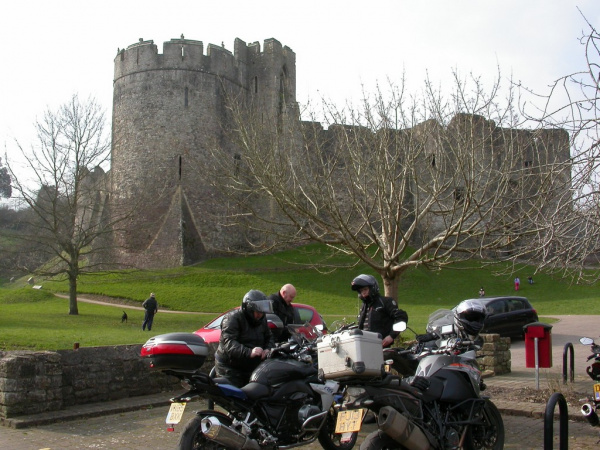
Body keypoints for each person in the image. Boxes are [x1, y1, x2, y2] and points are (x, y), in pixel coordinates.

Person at [214, 290, 274, 387]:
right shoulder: (232, 318)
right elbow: (229, 343)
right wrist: (249, 352)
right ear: (249, 309)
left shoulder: (262, 320)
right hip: (230, 366)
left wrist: (268, 349)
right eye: (257, 312)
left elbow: (269, 336)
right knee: (234, 396)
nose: (260, 315)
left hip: (250, 365)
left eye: (262, 312)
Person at [351, 274, 408, 348]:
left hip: (381, 347)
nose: (363, 292)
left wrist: (391, 336)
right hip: (364, 346)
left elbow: (402, 318)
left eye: (365, 289)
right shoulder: (364, 307)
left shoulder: (385, 302)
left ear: (372, 288)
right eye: (361, 291)